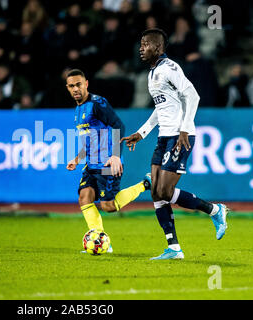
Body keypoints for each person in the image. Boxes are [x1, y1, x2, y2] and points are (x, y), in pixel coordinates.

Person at [120, 29, 228, 260]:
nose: (141, 48)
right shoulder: (153, 73)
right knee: (157, 194)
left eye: (146, 43)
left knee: (165, 191)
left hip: (180, 136)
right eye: (141, 43)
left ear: (158, 48)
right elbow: (161, 109)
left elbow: (193, 96)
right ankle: (174, 248)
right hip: (163, 137)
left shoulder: (170, 68)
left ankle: (215, 210)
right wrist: (141, 133)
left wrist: (185, 129)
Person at [65, 69, 150, 252]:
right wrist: (78, 158)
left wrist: (116, 156)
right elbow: (90, 139)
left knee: (108, 206)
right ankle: (100, 240)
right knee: (84, 197)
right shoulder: (78, 109)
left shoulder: (97, 103)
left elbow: (119, 125)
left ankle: (145, 184)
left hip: (107, 163)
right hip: (91, 163)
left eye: (78, 84)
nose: (75, 89)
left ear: (86, 84)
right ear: (68, 88)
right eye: (71, 86)